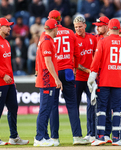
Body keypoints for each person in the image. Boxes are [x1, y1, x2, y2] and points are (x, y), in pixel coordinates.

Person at [88, 18, 121, 146]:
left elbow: (96, 61)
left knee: (101, 109)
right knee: (117, 110)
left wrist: (92, 75)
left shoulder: (102, 41)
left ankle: (100, 137)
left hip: (105, 79)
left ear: (109, 28)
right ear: (119, 29)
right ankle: (117, 138)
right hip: (119, 80)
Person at [48, 10, 88, 145]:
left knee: (53, 105)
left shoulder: (47, 33)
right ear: (60, 19)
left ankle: (54, 138)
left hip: (54, 71)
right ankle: (77, 136)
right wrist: (75, 68)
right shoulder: (70, 33)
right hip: (68, 70)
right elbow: (77, 54)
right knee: (72, 105)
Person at [0, 17, 29, 145]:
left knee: (13, 108)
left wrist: (12, 80)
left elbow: (7, 65)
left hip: (9, 83)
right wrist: (3, 75)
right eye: (7, 26)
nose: (10, 28)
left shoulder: (7, 42)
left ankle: (14, 137)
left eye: (9, 26)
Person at [34, 19, 62, 147]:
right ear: (54, 28)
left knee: (47, 108)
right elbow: (48, 62)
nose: (58, 31)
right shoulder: (46, 41)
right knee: (45, 109)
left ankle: (44, 136)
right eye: (57, 29)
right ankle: (39, 138)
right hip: (46, 81)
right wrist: (56, 78)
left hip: (47, 80)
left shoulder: (47, 39)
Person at [74, 15, 97, 142]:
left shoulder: (92, 38)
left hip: (90, 79)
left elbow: (96, 55)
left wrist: (93, 71)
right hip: (78, 78)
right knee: (75, 107)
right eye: (76, 27)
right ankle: (77, 135)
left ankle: (91, 133)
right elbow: (74, 63)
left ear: (85, 25)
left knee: (91, 105)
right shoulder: (72, 39)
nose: (78, 29)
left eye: (80, 26)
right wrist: (89, 70)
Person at [91, 16, 112, 143]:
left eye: (100, 26)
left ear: (107, 26)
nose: (97, 28)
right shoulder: (95, 38)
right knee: (94, 107)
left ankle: (106, 133)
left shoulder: (110, 39)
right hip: (95, 77)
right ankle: (94, 133)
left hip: (106, 77)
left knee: (107, 107)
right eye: (96, 25)